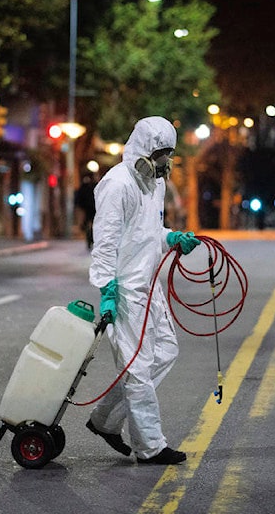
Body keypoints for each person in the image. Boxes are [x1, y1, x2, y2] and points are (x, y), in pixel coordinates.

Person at [86, 116, 200, 465]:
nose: (165, 161)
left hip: (149, 287)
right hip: (124, 291)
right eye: (161, 153)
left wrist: (172, 238)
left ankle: (105, 421)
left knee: (164, 351)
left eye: (169, 154)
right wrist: (106, 288)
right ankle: (150, 446)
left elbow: (148, 232)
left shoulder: (155, 184)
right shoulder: (118, 184)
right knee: (137, 368)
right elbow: (105, 244)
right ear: (144, 150)